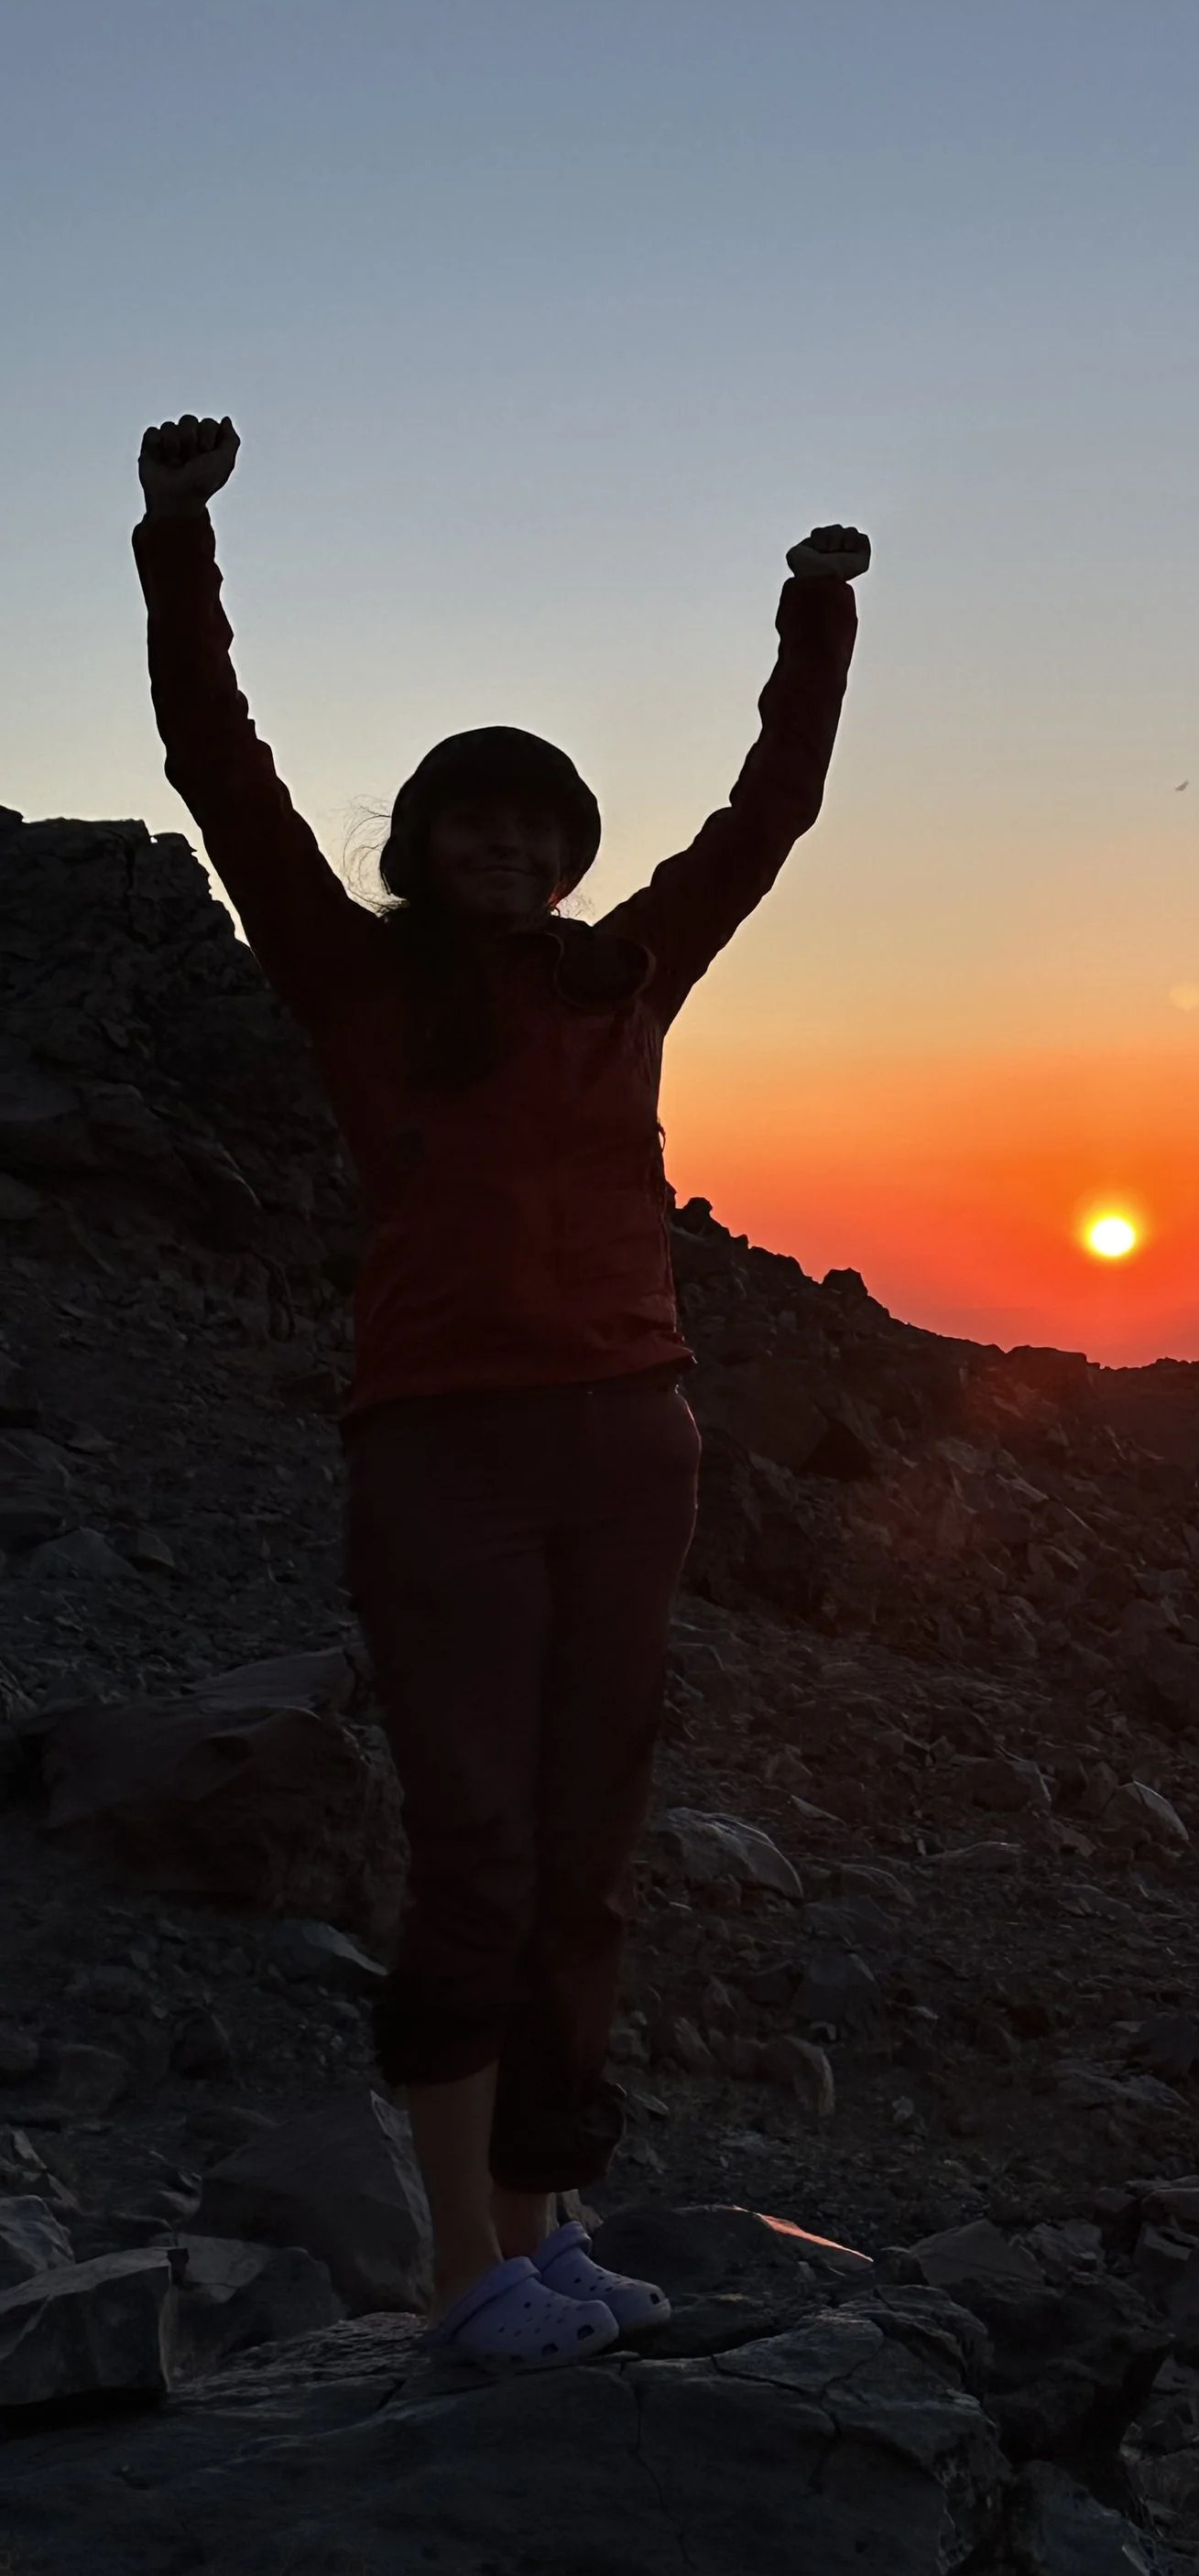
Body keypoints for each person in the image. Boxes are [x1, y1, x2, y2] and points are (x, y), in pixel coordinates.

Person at [133, 412, 867, 2372]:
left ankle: (545, 2235)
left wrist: (814, 614)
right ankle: (460, 2270)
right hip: (443, 1450)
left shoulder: (621, 976)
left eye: (541, 835)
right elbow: (220, 766)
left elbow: (766, 815)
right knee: (468, 1844)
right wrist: (176, 544)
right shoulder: (349, 980)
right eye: (478, 827)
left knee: (585, 1852)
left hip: (636, 1443)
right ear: (421, 844)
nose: (512, 856)